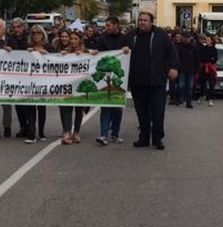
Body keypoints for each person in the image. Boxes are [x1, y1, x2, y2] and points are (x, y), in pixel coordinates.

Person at [126, 12, 179, 150]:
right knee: (141, 111)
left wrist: (173, 67)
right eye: (140, 20)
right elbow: (118, 49)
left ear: (151, 22)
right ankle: (144, 137)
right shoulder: (131, 35)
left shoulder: (161, 35)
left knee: (157, 111)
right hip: (137, 80)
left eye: (145, 20)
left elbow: (172, 52)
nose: (142, 22)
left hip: (156, 80)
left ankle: (157, 138)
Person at [93, 16, 129, 146]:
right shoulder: (102, 39)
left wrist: (127, 50)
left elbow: (130, 53)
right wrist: (95, 52)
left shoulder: (125, 39)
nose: (106, 28)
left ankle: (115, 133)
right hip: (105, 77)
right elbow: (97, 54)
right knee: (105, 107)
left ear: (116, 25)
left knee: (117, 108)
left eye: (108, 25)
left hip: (119, 78)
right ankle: (103, 134)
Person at [59, 30, 96, 145]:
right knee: (66, 107)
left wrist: (88, 54)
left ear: (80, 40)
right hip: (68, 84)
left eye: (75, 39)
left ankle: (76, 132)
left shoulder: (85, 51)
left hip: (80, 84)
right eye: (71, 39)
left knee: (79, 109)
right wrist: (63, 55)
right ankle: (67, 132)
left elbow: (95, 55)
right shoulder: (66, 51)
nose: (73, 41)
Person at [24, 24, 49, 144]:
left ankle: (41, 131)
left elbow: (57, 60)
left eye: (38, 33)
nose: (36, 36)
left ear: (43, 35)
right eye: (34, 33)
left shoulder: (48, 47)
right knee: (30, 107)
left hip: (43, 82)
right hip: (30, 82)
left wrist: (46, 53)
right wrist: (27, 53)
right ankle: (31, 132)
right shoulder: (27, 48)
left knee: (41, 107)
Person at [9, 18, 29, 138]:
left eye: (18, 27)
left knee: (28, 103)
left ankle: (30, 126)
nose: (16, 29)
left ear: (22, 27)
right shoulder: (10, 40)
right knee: (18, 103)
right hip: (15, 76)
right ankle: (23, 126)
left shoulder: (28, 39)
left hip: (28, 75)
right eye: (14, 27)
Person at [176, 32, 199, 109]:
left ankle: (188, 102)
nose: (186, 39)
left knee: (190, 86)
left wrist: (196, 69)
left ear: (190, 38)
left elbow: (197, 59)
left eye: (187, 38)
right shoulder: (180, 47)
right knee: (180, 85)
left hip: (191, 70)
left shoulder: (194, 48)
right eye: (185, 37)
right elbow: (177, 58)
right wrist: (177, 67)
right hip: (182, 70)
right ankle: (180, 98)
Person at [197, 34, 218, 107]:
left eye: (208, 40)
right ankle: (202, 95)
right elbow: (201, 57)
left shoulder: (214, 49)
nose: (207, 41)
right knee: (202, 83)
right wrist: (208, 59)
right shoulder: (203, 48)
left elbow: (215, 59)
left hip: (211, 68)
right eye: (206, 40)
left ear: (211, 41)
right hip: (204, 67)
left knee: (211, 83)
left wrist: (210, 59)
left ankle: (211, 99)